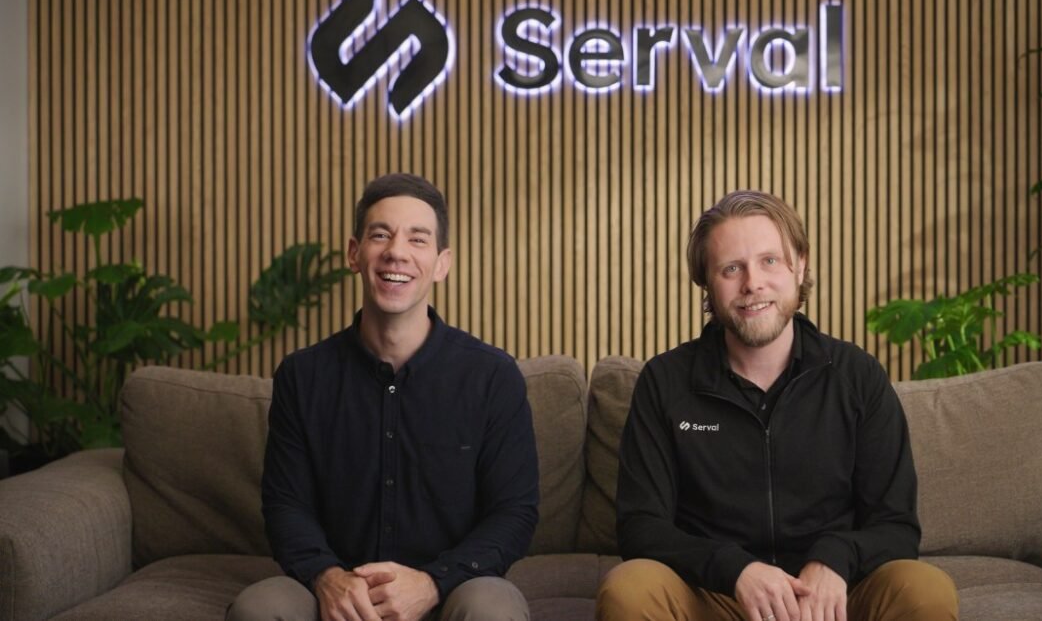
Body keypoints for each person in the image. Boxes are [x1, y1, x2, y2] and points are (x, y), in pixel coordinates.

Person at [596, 190, 958, 621]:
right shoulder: (665, 382)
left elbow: (897, 527)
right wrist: (736, 570)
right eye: (732, 268)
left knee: (926, 591)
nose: (753, 283)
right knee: (629, 591)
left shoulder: (857, 377)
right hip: (715, 595)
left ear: (799, 264)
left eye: (769, 260)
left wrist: (834, 559)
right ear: (708, 284)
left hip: (830, 598)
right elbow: (641, 528)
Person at [228, 173, 539, 621]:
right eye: (380, 235)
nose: (397, 251)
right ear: (355, 254)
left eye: (418, 239)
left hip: (452, 590)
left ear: (441, 263)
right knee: (259, 608)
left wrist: (432, 582)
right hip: (334, 596)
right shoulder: (303, 376)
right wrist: (326, 577)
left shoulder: (492, 376)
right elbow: (285, 506)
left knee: (493, 607)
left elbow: (514, 513)